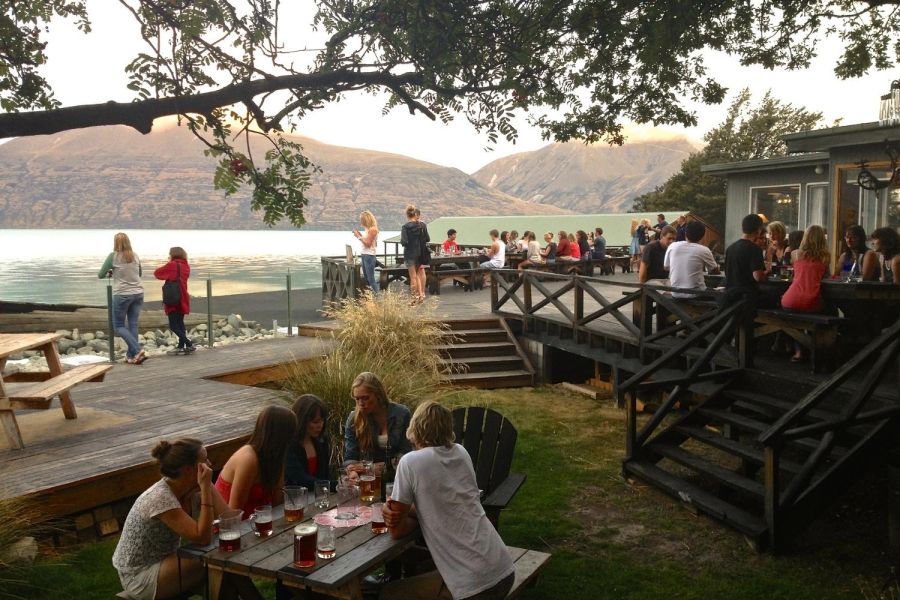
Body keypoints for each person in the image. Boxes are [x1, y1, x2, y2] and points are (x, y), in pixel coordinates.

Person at [380, 401, 515, 600]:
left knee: (389, 593)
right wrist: (413, 511)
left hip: (476, 587)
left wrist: (391, 508)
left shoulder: (410, 462)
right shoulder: (461, 452)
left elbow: (396, 530)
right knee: (424, 570)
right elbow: (448, 505)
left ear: (415, 428)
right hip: (503, 570)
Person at [112, 438, 229, 600]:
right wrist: (206, 490)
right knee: (219, 559)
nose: (209, 464)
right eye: (204, 460)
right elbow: (202, 537)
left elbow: (228, 518)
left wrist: (207, 486)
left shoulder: (190, 488)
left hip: (167, 562)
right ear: (189, 470)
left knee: (225, 563)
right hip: (140, 576)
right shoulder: (161, 498)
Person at [215, 405, 297, 518]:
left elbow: (277, 503)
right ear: (281, 434)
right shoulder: (248, 459)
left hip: (258, 523)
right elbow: (235, 513)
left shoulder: (276, 456)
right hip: (229, 528)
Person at [781, 225, 831, 362]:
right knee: (829, 311)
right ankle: (821, 350)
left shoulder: (795, 253)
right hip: (811, 301)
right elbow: (826, 277)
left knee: (796, 319)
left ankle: (798, 352)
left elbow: (795, 272)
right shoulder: (825, 257)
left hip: (789, 300)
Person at [344, 372, 412, 470]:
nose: (361, 403)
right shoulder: (354, 419)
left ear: (378, 394)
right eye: (357, 399)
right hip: (367, 478)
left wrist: (381, 468)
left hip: (398, 476)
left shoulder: (402, 414)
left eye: (365, 398)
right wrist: (352, 471)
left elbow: (406, 453)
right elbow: (350, 457)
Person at [98, 232, 145, 364]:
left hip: (123, 294)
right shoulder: (135, 255)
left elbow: (100, 274)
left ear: (115, 243)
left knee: (118, 326)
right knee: (133, 324)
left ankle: (136, 349)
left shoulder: (113, 256)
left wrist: (111, 271)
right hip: (138, 293)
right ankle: (131, 356)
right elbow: (139, 273)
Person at [721, 213, 771, 309]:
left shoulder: (730, 248)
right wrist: (766, 274)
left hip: (730, 296)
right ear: (759, 229)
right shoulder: (754, 249)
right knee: (775, 293)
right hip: (747, 297)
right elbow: (758, 277)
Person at [285, 394, 332, 491]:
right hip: (295, 499)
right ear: (302, 421)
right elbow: (300, 479)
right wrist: (335, 485)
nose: (320, 425)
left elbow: (325, 475)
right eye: (315, 422)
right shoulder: (288, 444)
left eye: (322, 420)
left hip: (320, 496)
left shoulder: (322, 440)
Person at [154, 246, 195, 355]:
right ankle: (181, 346)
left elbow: (157, 273)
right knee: (180, 322)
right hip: (183, 297)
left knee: (173, 325)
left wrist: (168, 263)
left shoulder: (172, 265)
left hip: (173, 297)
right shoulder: (186, 266)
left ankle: (189, 343)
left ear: (173, 255)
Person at [664, 221, 720, 298]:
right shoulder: (704, 250)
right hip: (696, 294)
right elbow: (715, 271)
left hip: (675, 293)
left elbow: (666, 267)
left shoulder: (673, 246)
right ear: (702, 236)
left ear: (685, 233)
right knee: (720, 291)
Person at [401, 204, 429, 304]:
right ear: (415, 214)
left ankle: (414, 298)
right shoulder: (422, 225)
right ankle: (421, 295)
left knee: (413, 277)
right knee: (419, 275)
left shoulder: (405, 227)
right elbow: (427, 239)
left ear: (407, 215)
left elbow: (404, 242)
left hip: (410, 254)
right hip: (420, 254)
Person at [354, 210, 380, 293]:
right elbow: (367, 241)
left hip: (369, 256)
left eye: (361, 219)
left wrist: (358, 236)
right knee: (367, 279)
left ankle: (378, 297)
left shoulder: (373, 229)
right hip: (365, 255)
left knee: (371, 279)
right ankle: (371, 296)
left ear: (366, 219)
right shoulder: (367, 229)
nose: (361, 221)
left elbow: (368, 244)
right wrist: (360, 235)